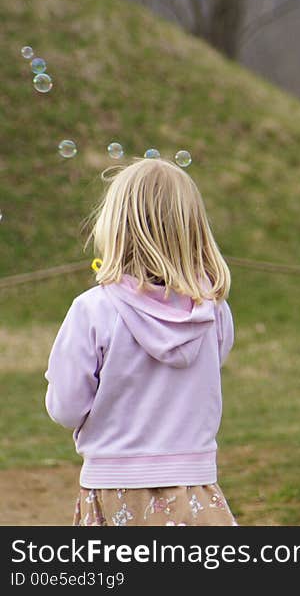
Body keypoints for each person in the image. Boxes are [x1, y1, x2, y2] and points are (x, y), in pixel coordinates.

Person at [44, 158, 236, 526]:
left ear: (115, 226)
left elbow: (66, 408)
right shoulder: (215, 312)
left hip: (115, 493)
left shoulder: (93, 310)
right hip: (196, 492)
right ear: (193, 228)